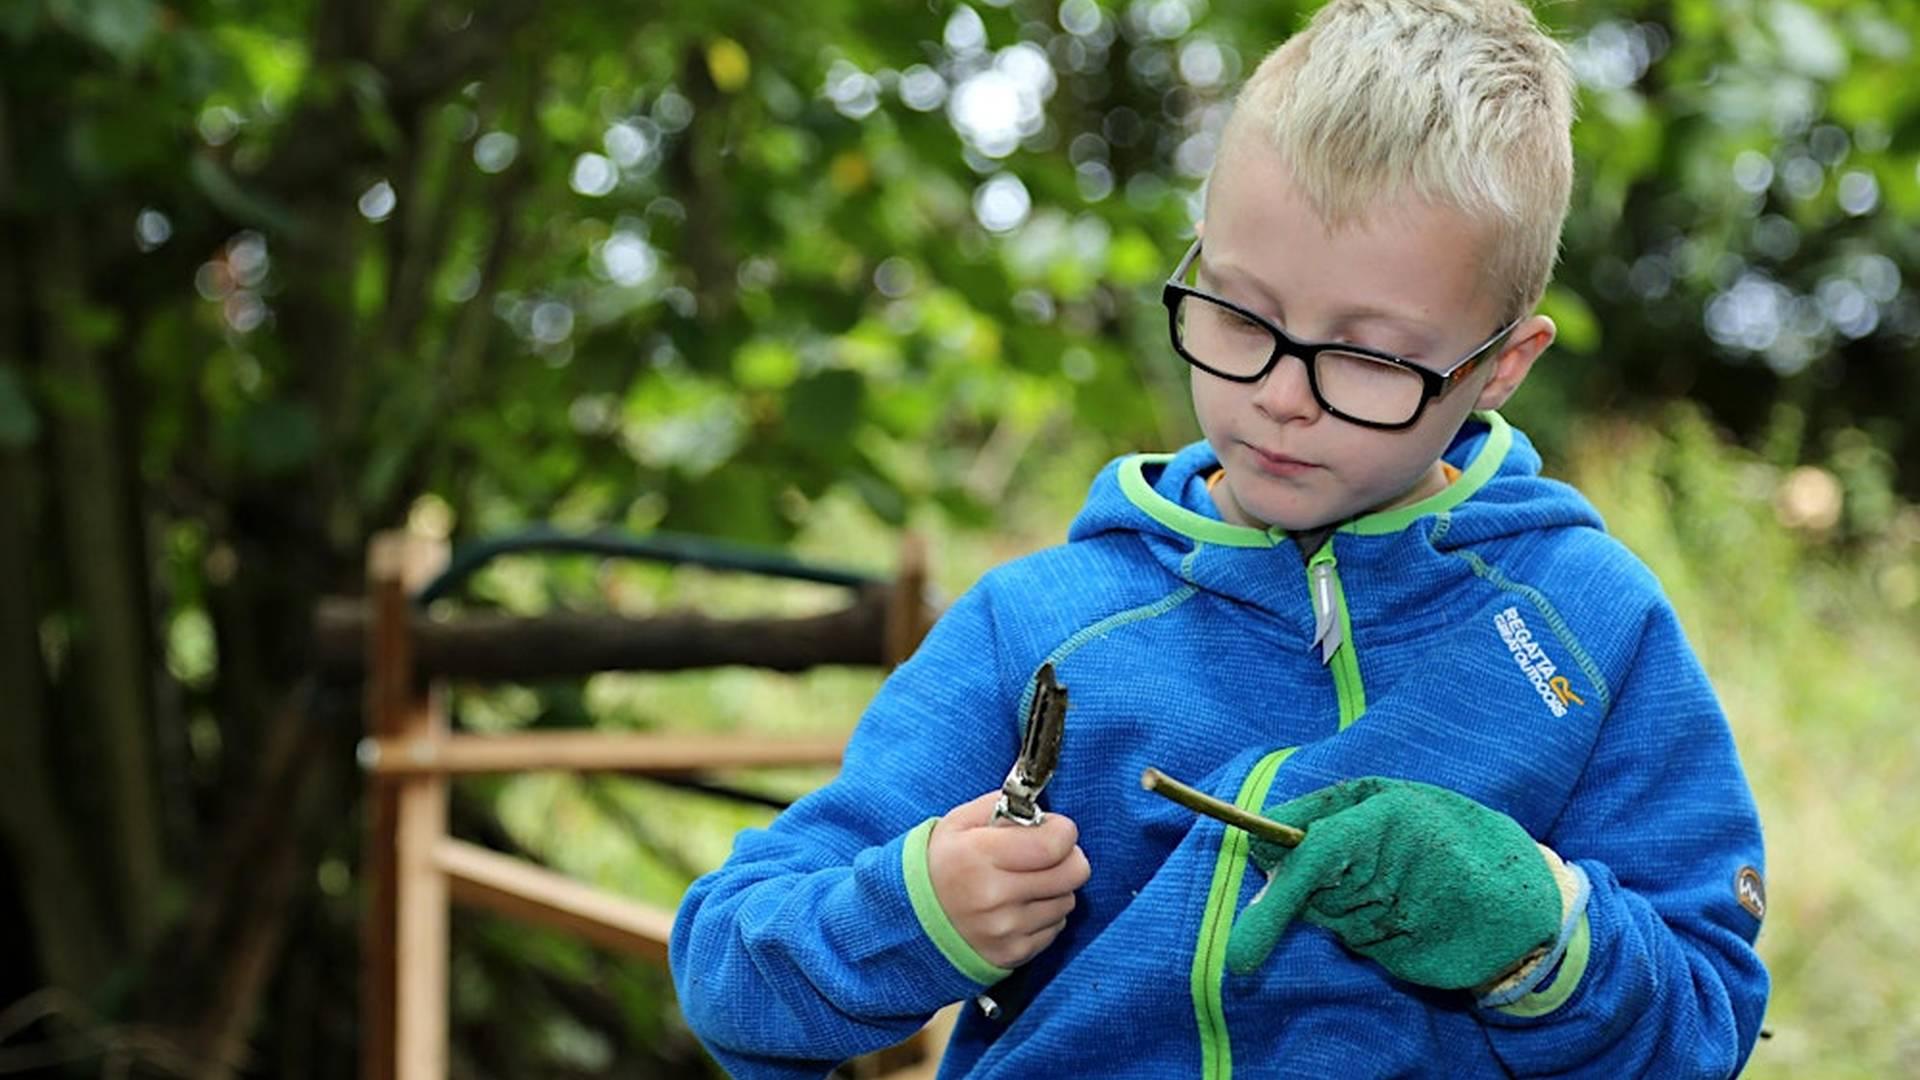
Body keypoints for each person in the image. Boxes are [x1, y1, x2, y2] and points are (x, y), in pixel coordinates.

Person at [669, 0, 1770, 1075]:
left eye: (1370, 357)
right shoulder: (1039, 624)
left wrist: (1547, 939)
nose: (1283, 397)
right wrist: (913, 914)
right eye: (1241, 315)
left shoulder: (1590, 627)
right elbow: (728, 969)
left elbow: (1704, 1022)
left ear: (1500, 365)